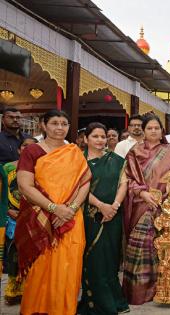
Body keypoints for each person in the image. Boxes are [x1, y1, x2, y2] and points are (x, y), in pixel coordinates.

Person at [14, 110, 91, 315]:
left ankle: (64, 310)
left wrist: (71, 209)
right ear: (43, 125)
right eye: (55, 123)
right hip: (40, 218)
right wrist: (54, 208)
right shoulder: (32, 151)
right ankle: (35, 310)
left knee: (68, 268)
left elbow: (85, 183)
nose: (60, 127)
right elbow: (25, 186)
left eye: (64, 123)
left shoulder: (74, 151)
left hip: (71, 219)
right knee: (41, 266)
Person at [122, 114, 170, 305]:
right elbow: (129, 179)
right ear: (143, 130)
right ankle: (138, 291)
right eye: (149, 128)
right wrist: (143, 194)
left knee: (160, 247)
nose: (153, 131)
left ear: (162, 131)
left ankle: (161, 288)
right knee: (139, 244)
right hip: (140, 203)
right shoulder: (134, 152)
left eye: (157, 128)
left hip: (165, 205)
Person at [77, 123, 129, 315]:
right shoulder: (78, 161)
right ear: (86, 139)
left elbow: (124, 184)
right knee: (92, 259)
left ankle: (115, 301)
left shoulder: (116, 160)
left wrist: (114, 206)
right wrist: (101, 205)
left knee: (111, 259)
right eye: (95, 136)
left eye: (103, 136)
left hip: (113, 217)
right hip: (89, 215)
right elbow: (77, 188)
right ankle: (95, 304)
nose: (100, 140)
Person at [3, 137, 38, 305]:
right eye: (25, 146)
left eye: (33, 146)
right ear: (18, 149)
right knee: (14, 254)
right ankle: (13, 291)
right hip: (12, 217)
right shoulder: (8, 168)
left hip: (34, 216)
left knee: (33, 253)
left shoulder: (41, 167)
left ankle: (31, 291)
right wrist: (7, 210)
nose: (28, 149)